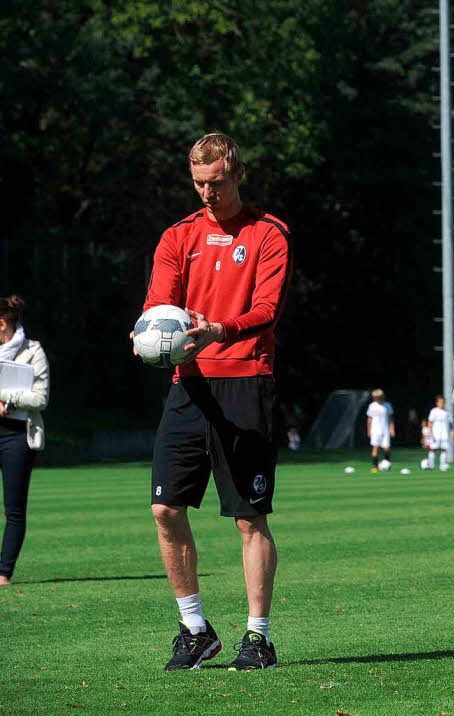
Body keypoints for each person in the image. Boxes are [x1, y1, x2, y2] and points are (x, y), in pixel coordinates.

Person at [140, 133, 291, 670]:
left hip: (247, 380)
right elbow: (160, 304)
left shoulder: (269, 233)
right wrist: (154, 335)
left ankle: (259, 637)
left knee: (249, 518)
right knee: (165, 507)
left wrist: (219, 329)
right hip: (188, 385)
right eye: (200, 183)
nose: (208, 193)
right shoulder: (178, 236)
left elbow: (268, 308)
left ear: (238, 175)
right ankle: (195, 628)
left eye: (218, 182)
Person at [0, 296, 49, 587]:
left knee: (14, 508)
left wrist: (8, 399)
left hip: (18, 436)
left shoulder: (33, 351)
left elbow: (41, 398)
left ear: (3, 323)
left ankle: (3, 572)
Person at [366, 389, 395, 473]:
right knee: (375, 448)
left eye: (379, 397)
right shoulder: (372, 406)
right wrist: (368, 430)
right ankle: (375, 466)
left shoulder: (387, 405)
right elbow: (369, 419)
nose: (378, 398)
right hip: (375, 430)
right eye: (376, 397)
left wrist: (392, 429)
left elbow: (391, 418)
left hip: (385, 430)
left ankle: (387, 463)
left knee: (387, 448)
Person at [426, 395, 454, 471]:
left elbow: (451, 423)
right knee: (433, 449)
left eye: (443, 402)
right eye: (440, 402)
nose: (442, 404)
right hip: (435, 434)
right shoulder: (434, 411)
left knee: (444, 449)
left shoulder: (447, 412)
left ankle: (442, 465)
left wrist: (452, 432)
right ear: (437, 403)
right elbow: (430, 422)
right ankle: (431, 465)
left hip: (444, 434)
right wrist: (430, 432)